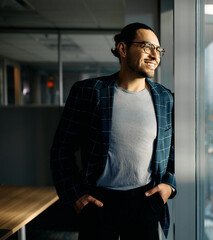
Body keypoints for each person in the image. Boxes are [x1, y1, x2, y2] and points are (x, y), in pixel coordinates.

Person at [50, 22, 176, 240]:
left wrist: (169, 187)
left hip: (145, 200)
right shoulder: (89, 92)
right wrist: (75, 196)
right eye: (148, 47)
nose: (155, 55)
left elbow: (172, 148)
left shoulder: (165, 97)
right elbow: (62, 150)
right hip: (98, 203)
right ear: (123, 49)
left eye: (159, 50)